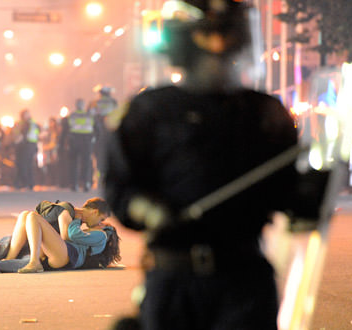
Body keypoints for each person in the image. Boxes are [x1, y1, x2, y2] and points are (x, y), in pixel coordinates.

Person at [104, 1, 299, 329]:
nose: (219, 53)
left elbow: (288, 195)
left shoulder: (264, 114)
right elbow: (121, 189)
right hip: (174, 279)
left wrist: (311, 190)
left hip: (244, 281)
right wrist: (149, 210)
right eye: (211, 36)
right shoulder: (149, 111)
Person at [0, 198, 120, 274]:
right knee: (23, 218)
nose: (100, 223)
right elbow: (68, 235)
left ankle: (27, 261)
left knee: (30, 218)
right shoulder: (67, 212)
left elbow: (68, 235)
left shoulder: (99, 234)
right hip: (44, 247)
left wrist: (76, 221)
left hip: (58, 252)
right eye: (101, 219)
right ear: (94, 211)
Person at [89, 85, 118, 186]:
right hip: (110, 134)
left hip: (97, 134)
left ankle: (100, 178)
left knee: (98, 156)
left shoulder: (94, 103)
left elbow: (90, 117)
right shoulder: (113, 102)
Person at [67, 99, 96, 192]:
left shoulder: (72, 115)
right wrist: (95, 138)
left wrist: (64, 142)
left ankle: (74, 184)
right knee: (86, 163)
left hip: (74, 140)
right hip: (86, 141)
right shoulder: (89, 115)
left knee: (74, 163)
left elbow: (66, 129)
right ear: (83, 105)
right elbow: (96, 128)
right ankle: (86, 183)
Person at [12, 109, 39, 190]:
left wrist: (15, 143)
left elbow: (22, 135)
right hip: (32, 145)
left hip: (25, 145)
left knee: (23, 165)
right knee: (28, 165)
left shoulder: (27, 123)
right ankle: (28, 183)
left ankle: (24, 183)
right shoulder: (33, 123)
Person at [41, 117, 60, 187]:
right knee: (48, 166)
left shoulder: (56, 131)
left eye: (52, 122)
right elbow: (42, 138)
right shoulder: (47, 131)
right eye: (50, 122)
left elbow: (54, 141)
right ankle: (49, 181)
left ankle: (55, 181)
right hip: (47, 151)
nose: (51, 124)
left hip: (54, 150)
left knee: (54, 166)